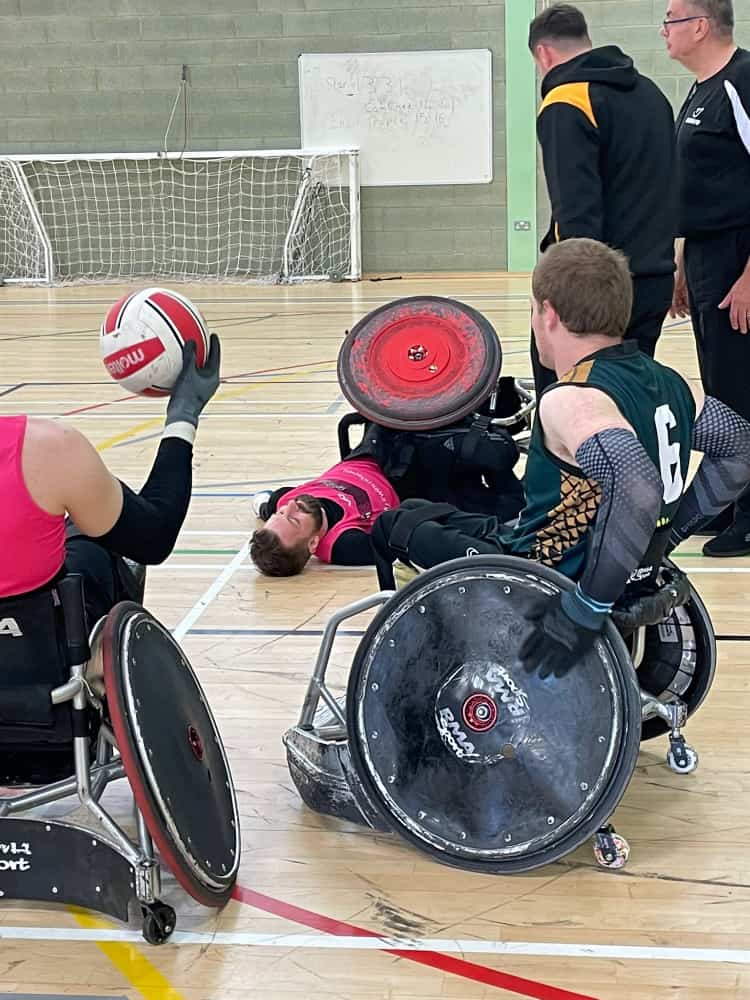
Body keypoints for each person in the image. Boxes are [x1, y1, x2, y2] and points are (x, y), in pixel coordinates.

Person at [371, 239, 750, 678]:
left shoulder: (572, 399)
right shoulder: (668, 382)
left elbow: (637, 486)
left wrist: (586, 609)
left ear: (548, 314)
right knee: (421, 510)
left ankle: (421, 676)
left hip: (540, 575)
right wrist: (665, 538)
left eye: (533, 311)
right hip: (595, 559)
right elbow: (740, 445)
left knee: (391, 528)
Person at [0, 336, 221, 628]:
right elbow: (155, 538)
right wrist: (184, 413)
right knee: (92, 527)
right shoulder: (50, 448)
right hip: (42, 657)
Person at [528, 4, 677, 394]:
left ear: (543, 54)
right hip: (654, 280)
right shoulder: (651, 93)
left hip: (597, 292)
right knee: (632, 401)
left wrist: (556, 297)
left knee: (571, 407)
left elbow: (575, 216)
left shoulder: (566, 100)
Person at [665, 0, 750, 556]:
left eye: (671, 19)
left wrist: (749, 276)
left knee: (744, 390)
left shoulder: (744, 81)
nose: (664, 30)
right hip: (704, 255)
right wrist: (679, 262)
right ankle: (735, 500)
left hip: (739, 256)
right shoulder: (699, 90)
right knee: (722, 389)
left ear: (700, 25)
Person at [249, 411, 526, 577]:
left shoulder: (284, 501)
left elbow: (265, 502)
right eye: (294, 520)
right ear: (312, 545)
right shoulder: (343, 544)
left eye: (282, 513)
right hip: (406, 481)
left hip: (370, 453)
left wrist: (266, 508)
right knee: (499, 468)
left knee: (394, 399)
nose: (293, 506)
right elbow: (396, 542)